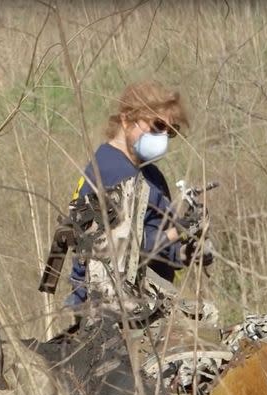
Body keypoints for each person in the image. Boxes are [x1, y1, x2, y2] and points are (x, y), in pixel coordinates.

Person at [65, 80, 200, 309]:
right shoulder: (111, 172)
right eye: (157, 126)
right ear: (127, 119)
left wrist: (186, 253)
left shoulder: (150, 175)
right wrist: (177, 231)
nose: (164, 137)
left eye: (171, 131)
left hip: (150, 304)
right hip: (111, 311)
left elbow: (154, 241)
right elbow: (118, 248)